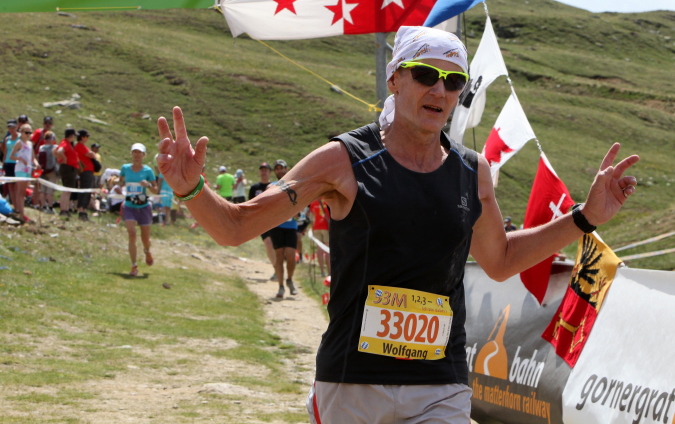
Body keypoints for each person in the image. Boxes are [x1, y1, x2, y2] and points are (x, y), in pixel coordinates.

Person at [155, 26, 639, 423]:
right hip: (353, 381)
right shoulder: (343, 160)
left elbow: (501, 259)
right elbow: (236, 227)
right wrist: (191, 189)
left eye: (453, 81)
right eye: (426, 74)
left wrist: (585, 217)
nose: (439, 90)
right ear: (394, 80)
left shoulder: (473, 171)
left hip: (439, 384)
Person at [118, 143, 157, 277]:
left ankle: (147, 251)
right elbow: (120, 182)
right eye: (134, 152)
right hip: (129, 205)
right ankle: (134, 266)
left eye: (139, 152)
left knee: (145, 239)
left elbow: (155, 190)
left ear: (144, 155)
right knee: (132, 234)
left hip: (143, 206)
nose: (136, 155)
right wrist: (116, 184)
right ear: (131, 154)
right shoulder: (125, 168)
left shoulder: (148, 171)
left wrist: (148, 185)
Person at [267, 159, 299, 298]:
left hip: (291, 226)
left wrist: (298, 211)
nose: (280, 170)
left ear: (286, 169)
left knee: (291, 256)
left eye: (282, 168)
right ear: (275, 171)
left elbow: (300, 200)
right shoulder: (271, 186)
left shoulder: (294, 184)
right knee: (279, 256)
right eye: (277, 168)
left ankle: (290, 279)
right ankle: (280, 287)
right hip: (277, 226)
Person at [248, 162, 276, 272]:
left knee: (277, 246)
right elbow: (249, 206)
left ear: (270, 172)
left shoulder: (274, 186)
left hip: (275, 220)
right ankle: (276, 269)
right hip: (261, 221)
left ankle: (279, 269)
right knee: (268, 244)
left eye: (266, 170)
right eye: (262, 170)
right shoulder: (254, 188)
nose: (264, 172)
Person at [9, 123, 39, 221]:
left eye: (30, 132)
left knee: (23, 192)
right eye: (26, 132)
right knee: (20, 191)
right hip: (20, 169)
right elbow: (11, 156)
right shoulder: (19, 143)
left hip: (28, 169)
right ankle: (21, 213)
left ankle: (21, 211)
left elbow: (33, 158)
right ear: (21, 132)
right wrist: (21, 159)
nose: (28, 134)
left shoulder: (30, 144)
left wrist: (37, 164)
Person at [54, 128, 78, 217]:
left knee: (68, 190)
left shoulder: (66, 143)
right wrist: (64, 159)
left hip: (69, 168)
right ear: (71, 135)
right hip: (68, 168)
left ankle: (65, 208)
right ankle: (63, 209)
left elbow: (54, 151)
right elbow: (59, 151)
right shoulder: (65, 143)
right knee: (67, 190)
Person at [74, 130, 97, 221]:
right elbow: (91, 155)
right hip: (85, 171)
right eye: (86, 136)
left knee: (88, 191)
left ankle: (83, 209)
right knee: (85, 190)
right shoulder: (80, 146)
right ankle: (81, 209)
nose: (87, 138)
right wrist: (93, 154)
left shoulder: (82, 146)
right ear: (82, 137)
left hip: (89, 171)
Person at [37, 130, 58, 214]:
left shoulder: (41, 148)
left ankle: (43, 207)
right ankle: (50, 207)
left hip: (42, 171)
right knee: (50, 191)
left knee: (42, 190)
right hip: (52, 171)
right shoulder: (55, 147)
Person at [309, 198, 331, 277]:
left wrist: (312, 228)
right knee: (327, 249)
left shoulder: (313, 202)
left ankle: (322, 271)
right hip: (326, 227)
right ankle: (329, 272)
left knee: (319, 250)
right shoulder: (328, 200)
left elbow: (311, 217)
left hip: (316, 227)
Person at [1, 119, 20, 208]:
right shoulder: (7, 139)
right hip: (8, 162)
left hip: (16, 163)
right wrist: (3, 163)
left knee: (17, 185)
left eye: (13, 127)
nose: (11, 129)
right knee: (10, 185)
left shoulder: (20, 137)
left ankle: (19, 204)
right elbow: (5, 152)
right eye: (9, 128)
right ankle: (15, 205)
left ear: (16, 127)